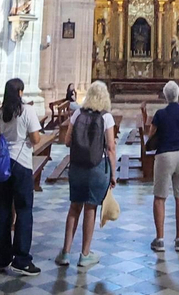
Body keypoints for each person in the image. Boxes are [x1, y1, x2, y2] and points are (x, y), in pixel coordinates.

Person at [58, 80, 116, 269]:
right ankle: (85, 254)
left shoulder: (77, 114)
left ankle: (65, 252)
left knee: (74, 207)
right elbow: (111, 148)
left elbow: (67, 141)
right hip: (96, 167)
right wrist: (113, 174)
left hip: (77, 166)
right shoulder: (106, 117)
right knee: (90, 209)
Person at [0, 78, 42, 276]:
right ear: (20, 92)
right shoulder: (26, 110)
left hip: (4, 164)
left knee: (3, 210)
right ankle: (21, 258)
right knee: (23, 210)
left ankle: (3, 256)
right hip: (21, 163)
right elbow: (36, 138)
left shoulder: (0, 112)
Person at [149, 81, 179, 253]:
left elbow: (151, 134)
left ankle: (160, 240)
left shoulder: (160, 114)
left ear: (165, 96)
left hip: (165, 155)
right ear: (178, 94)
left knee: (160, 197)